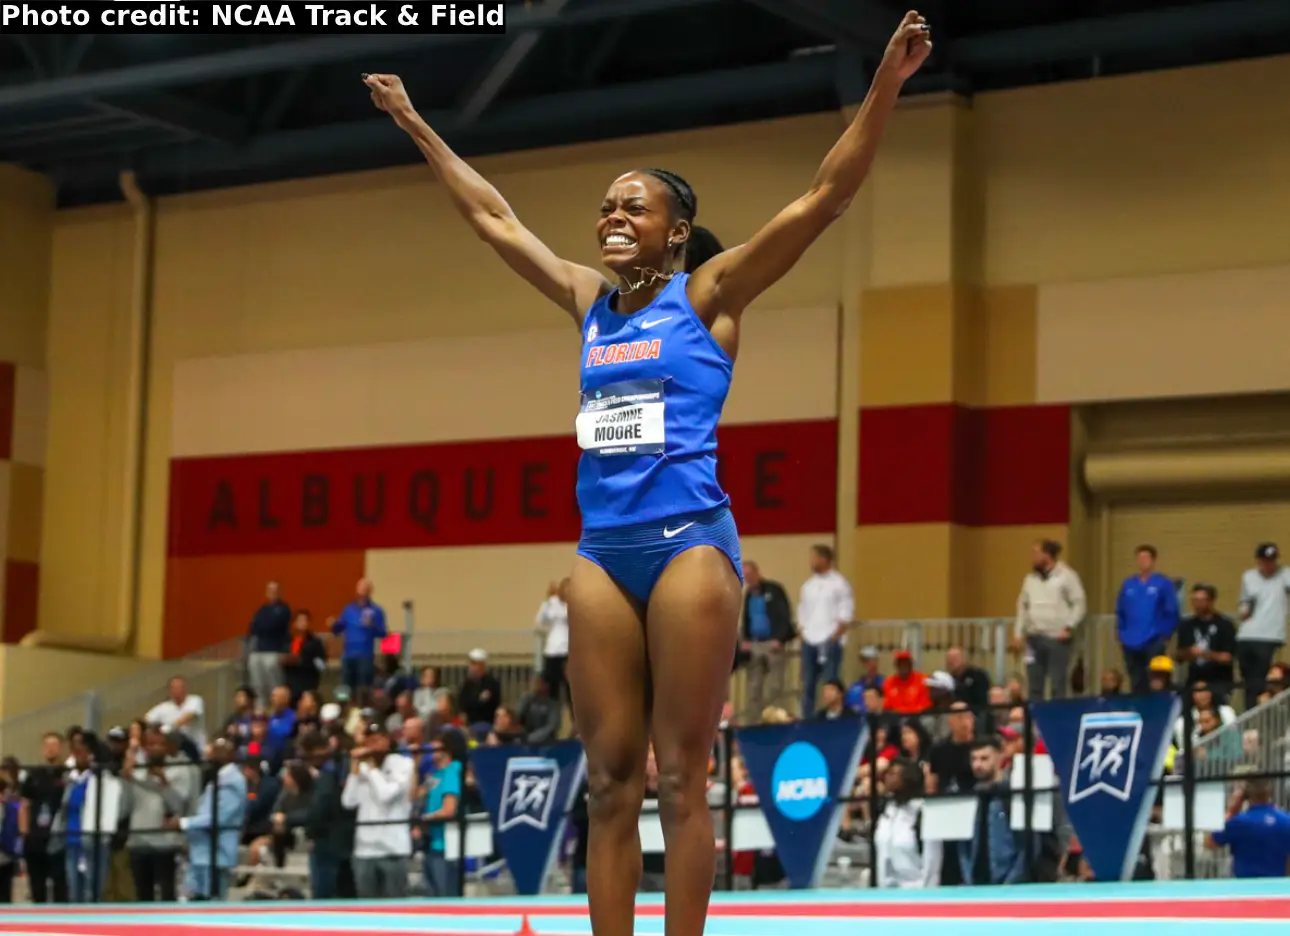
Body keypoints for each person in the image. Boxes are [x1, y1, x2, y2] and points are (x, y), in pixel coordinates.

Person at [362, 13, 930, 935]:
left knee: (678, 778)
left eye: (635, 207)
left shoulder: (711, 296)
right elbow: (491, 217)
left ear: (679, 231)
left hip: (689, 550)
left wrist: (888, 84)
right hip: (602, 554)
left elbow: (824, 198)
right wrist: (414, 120)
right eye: (606, 206)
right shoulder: (588, 300)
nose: (613, 217)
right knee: (611, 783)